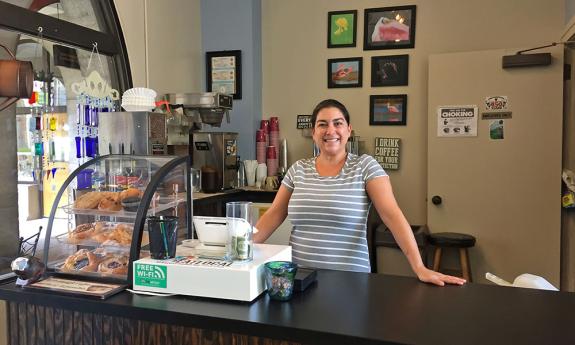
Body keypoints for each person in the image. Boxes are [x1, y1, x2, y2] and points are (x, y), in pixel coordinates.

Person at [254, 99, 465, 286]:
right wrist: (241, 249)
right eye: (322, 124)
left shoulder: (365, 166)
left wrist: (419, 267)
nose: (331, 130)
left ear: (348, 130)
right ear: (314, 132)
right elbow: (274, 214)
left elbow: (392, 215)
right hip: (301, 279)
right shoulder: (298, 169)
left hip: (350, 281)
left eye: (338, 123)